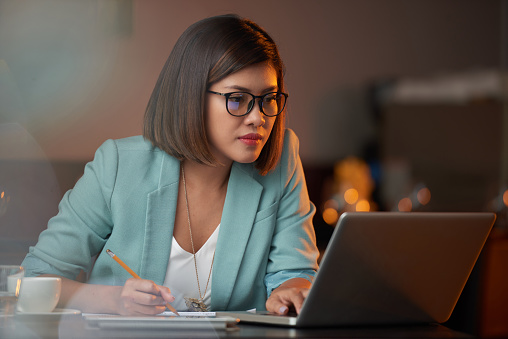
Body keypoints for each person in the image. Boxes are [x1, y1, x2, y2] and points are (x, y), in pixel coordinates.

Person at [21, 14, 319, 316]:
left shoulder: (282, 161)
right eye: (237, 99)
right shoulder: (118, 166)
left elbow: (294, 273)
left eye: (268, 98)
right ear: (190, 97)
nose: (258, 117)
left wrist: (288, 292)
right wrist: (114, 301)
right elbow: (35, 279)